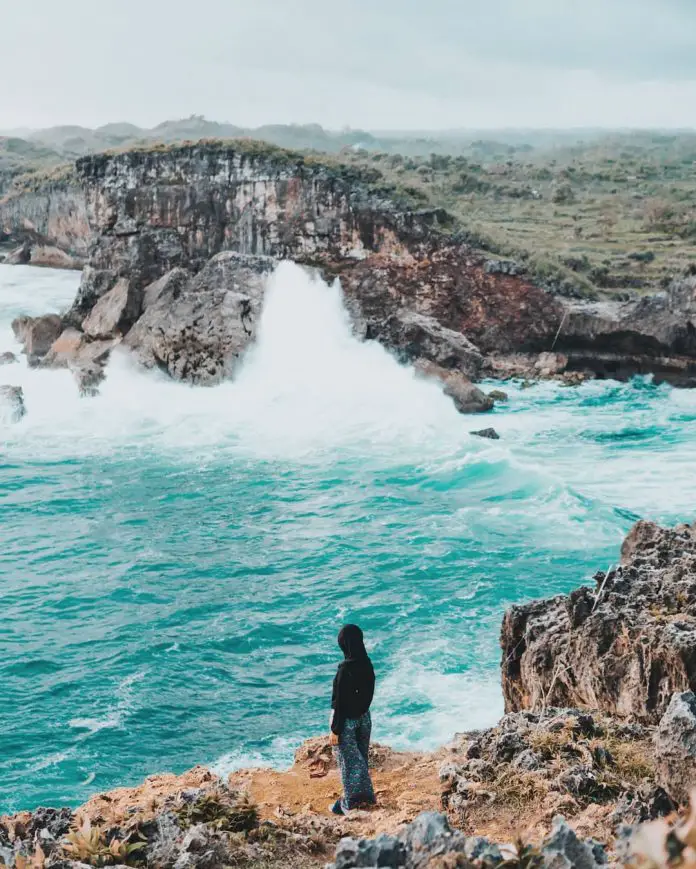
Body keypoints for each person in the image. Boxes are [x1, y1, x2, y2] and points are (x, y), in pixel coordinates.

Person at [329, 623, 376, 815]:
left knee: (349, 763)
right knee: (361, 759)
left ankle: (349, 803)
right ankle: (366, 797)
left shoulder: (344, 670)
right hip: (364, 718)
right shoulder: (367, 663)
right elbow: (369, 692)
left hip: (346, 722)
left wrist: (335, 729)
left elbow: (338, 703)